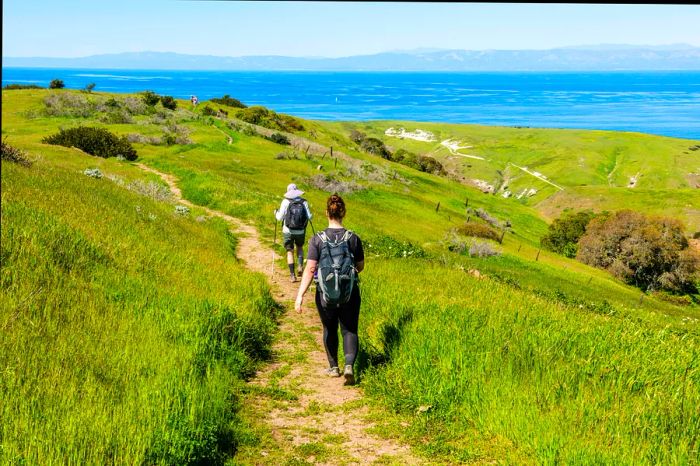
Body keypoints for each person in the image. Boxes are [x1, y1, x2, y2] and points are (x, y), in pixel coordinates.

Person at [294, 194, 364, 385]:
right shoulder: (353, 238)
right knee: (349, 329)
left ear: (327, 212)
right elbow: (360, 266)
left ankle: (334, 368)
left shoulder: (317, 239)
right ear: (343, 213)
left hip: (325, 295)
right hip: (350, 293)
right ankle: (349, 364)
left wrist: (299, 296)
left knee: (329, 328)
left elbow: (310, 269)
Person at [275, 183, 312, 282]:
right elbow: (310, 217)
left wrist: (275, 213)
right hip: (300, 231)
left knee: (289, 251)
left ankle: (292, 275)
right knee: (299, 247)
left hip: (288, 230)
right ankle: (300, 266)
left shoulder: (285, 201)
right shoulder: (304, 202)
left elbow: (279, 218)